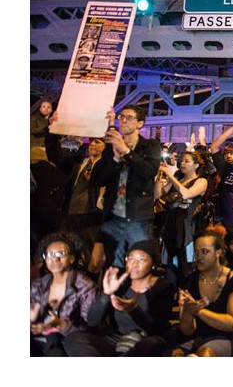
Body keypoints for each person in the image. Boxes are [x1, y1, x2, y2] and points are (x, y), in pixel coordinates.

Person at [64, 239, 175, 356]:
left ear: (153, 264)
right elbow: (92, 321)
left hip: (146, 340)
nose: (134, 264)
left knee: (152, 345)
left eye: (141, 259)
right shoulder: (119, 283)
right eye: (131, 259)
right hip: (116, 340)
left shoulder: (163, 286)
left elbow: (157, 329)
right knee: (74, 338)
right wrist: (106, 294)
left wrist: (134, 310)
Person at [94, 105, 161, 269]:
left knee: (138, 265)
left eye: (129, 118)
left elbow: (149, 171)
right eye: (121, 117)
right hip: (113, 215)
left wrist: (125, 150)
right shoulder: (111, 147)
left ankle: (135, 295)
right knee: (113, 265)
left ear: (140, 124)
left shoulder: (150, 146)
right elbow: (98, 179)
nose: (123, 120)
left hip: (138, 216)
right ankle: (113, 294)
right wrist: (115, 160)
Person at [45, 113, 107, 277]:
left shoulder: (107, 168)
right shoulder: (78, 163)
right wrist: (52, 131)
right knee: (65, 257)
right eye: (92, 141)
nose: (93, 144)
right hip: (69, 216)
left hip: (92, 218)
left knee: (90, 263)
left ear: (106, 147)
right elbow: (55, 155)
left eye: (98, 142)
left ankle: (89, 294)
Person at [173, 227, 233, 357]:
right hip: (196, 338)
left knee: (204, 354)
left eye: (204, 252)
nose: (199, 257)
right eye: (196, 252)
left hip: (226, 338)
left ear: (218, 252)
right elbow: (187, 330)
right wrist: (188, 312)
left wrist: (199, 311)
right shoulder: (191, 280)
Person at [30, 233, 97, 356]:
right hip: (40, 339)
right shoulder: (39, 284)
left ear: (71, 258)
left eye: (60, 254)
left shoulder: (84, 286)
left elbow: (90, 325)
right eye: (50, 255)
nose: (55, 259)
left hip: (69, 341)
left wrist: (62, 324)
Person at [156, 150, 209, 287]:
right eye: (182, 161)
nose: (182, 163)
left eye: (187, 161)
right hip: (170, 225)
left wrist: (169, 174)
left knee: (186, 266)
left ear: (196, 165)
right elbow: (158, 195)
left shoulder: (201, 181)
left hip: (187, 228)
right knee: (169, 267)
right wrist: (159, 176)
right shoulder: (177, 179)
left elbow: (186, 194)